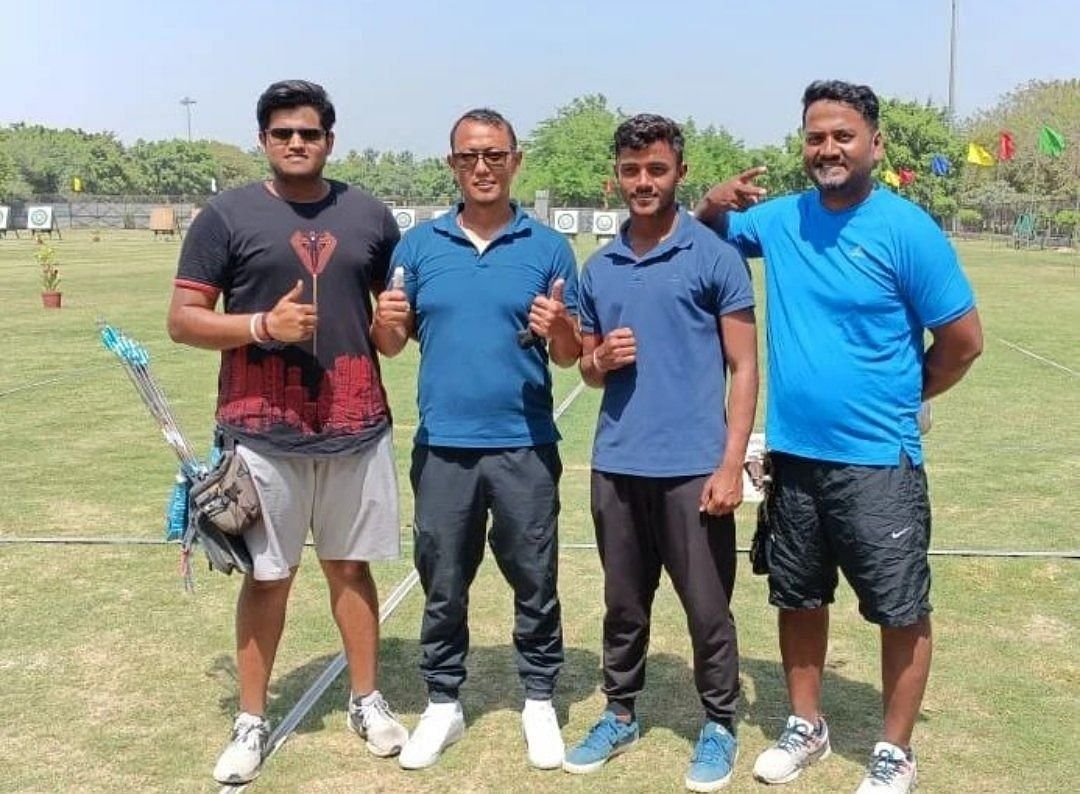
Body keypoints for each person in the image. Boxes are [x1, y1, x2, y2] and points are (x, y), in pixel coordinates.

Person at [695, 80, 983, 793]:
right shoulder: (781, 219)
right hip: (793, 457)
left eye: (843, 135)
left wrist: (905, 396)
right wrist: (709, 201)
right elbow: (705, 236)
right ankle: (806, 724)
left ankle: (894, 750)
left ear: (874, 145)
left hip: (879, 462)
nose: (828, 148)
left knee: (900, 606)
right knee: (797, 595)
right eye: (816, 136)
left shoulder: (907, 228)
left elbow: (964, 341)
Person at [167, 79, 408, 785]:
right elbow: (183, 321)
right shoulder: (225, 215)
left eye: (309, 133)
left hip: (355, 426)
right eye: (282, 133)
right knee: (269, 578)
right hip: (261, 430)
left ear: (330, 140)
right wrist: (261, 327)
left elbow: (388, 335)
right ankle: (251, 719)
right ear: (263, 140)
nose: (296, 143)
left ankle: (368, 700)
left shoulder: (369, 215)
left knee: (350, 568)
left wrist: (392, 326)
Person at [372, 108, 581, 771]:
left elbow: (573, 356)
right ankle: (442, 701)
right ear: (452, 165)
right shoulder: (419, 247)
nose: (482, 168)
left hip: (524, 443)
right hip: (444, 445)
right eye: (468, 157)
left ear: (516, 160)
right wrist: (384, 320)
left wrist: (560, 329)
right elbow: (391, 343)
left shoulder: (548, 248)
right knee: (442, 577)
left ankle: (540, 698)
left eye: (494, 155)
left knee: (535, 577)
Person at [562, 114, 758, 792]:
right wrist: (597, 359)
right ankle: (619, 712)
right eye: (631, 170)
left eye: (657, 170)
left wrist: (731, 463)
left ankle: (719, 722)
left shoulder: (712, 256)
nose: (643, 182)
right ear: (614, 175)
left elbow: (744, 364)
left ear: (678, 171)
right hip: (617, 465)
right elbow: (585, 368)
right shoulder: (600, 264)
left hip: (694, 469)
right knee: (623, 605)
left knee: (708, 608)